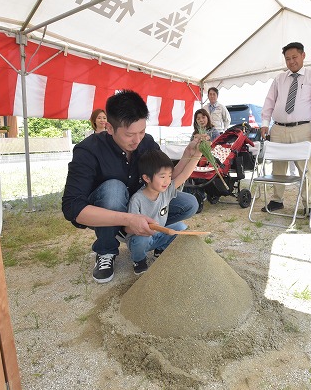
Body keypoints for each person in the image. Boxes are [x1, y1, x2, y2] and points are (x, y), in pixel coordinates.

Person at [62, 90, 205, 283]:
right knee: (113, 189)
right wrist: (128, 219)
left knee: (188, 203)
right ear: (109, 128)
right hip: (111, 208)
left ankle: (152, 235)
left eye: (142, 131)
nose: (137, 140)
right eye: (129, 134)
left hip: (140, 204)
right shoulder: (88, 150)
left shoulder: (146, 143)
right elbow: (72, 207)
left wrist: (190, 152)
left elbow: (166, 177)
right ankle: (106, 250)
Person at [259, 42, 311, 214]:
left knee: (305, 168)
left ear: (303, 55)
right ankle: (277, 200)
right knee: (278, 167)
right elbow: (269, 102)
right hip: (278, 129)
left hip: (302, 129)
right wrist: (265, 124)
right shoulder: (279, 78)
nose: (291, 62)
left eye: (294, 57)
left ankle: (308, 204)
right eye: (287, 59)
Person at [127, 149, 201, 274]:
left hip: (158, 235)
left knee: (181, 227)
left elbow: (184, 175)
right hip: (140, 239)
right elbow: (129, 228)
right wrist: (144, 227)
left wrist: (198, 153)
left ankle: (160, 249)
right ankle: (138, 260)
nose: (167, 181)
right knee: (141, 240)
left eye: (169, 176)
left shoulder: (166, 192)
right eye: (162, 176)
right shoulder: (137, 199)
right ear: (146, 178)